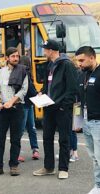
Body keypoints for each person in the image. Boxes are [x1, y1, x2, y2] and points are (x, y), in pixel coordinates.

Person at [33, 39, 77, 179]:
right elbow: (47, 85)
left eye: (45, 49)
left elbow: (72, 89)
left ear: (51, 50)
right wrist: (42, 92)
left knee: (64, 139)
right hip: (49, 108)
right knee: (47, 138)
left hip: (62, 109)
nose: (43, 51)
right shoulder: (49, 65)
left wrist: (65, 106)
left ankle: (63, 169)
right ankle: (49, 167)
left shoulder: (67, 65)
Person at [0, 47, 28, 177]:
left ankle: (14, 165)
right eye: (13, 56)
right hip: (2, 110)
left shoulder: (23, 71)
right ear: (7, 58)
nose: (16, 58)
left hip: (17, 109)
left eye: (17, 56)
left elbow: (23, 90)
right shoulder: (0, 73)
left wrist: (12, 101)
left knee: (15, 139)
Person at [75, 46, 100, 194]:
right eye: (78, 61)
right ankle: (98, 185)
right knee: (94, 157)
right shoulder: (81, 75)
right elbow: (78, 101)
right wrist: (77, 122)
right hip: (86, 122)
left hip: (98, 122)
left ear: (92, 57)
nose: (79, 64)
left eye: (82, 60)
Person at [18, 56, 39, 162]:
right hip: (25, 105)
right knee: (30, 128)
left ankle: (32, 149)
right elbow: (30, 89)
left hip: (26, 104)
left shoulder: (20, 73)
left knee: (24, 129)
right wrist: (37, 94)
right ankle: (34, 149)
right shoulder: (25, 73)